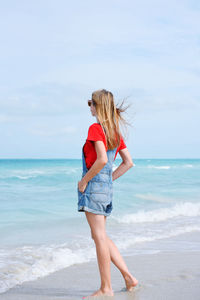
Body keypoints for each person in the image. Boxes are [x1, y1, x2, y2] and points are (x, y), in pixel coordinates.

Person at [77, 89, 138, 298]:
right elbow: (128, 162)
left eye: (91, 104)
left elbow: (102, 159)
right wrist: (108, 181)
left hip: (94, 188)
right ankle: (129, 277)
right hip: (106, 190)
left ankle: (106, 289)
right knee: (101, 235)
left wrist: (85, 181)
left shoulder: (95, 128)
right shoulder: (114, 132)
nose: (90, 108)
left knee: (99, 237)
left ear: (98, 106)